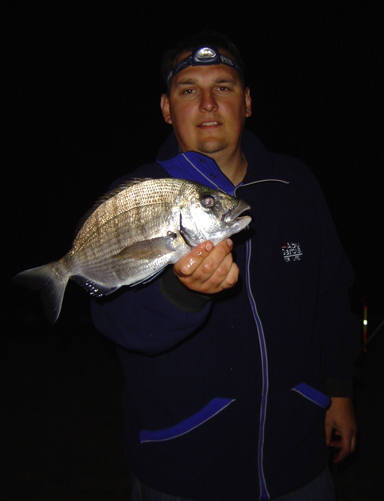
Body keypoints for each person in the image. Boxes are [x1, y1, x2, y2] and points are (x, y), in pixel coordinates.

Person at [91, 32, 360, 500]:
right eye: (189, 90)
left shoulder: (295, 183)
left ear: (248, 102)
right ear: (166, 109)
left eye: (225, 86)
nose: (209, 104)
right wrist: (182, 294)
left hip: (298, 457)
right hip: (182, 466)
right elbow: (112, 316)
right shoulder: (134, 198)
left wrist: (338, 389)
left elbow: (331, 293)